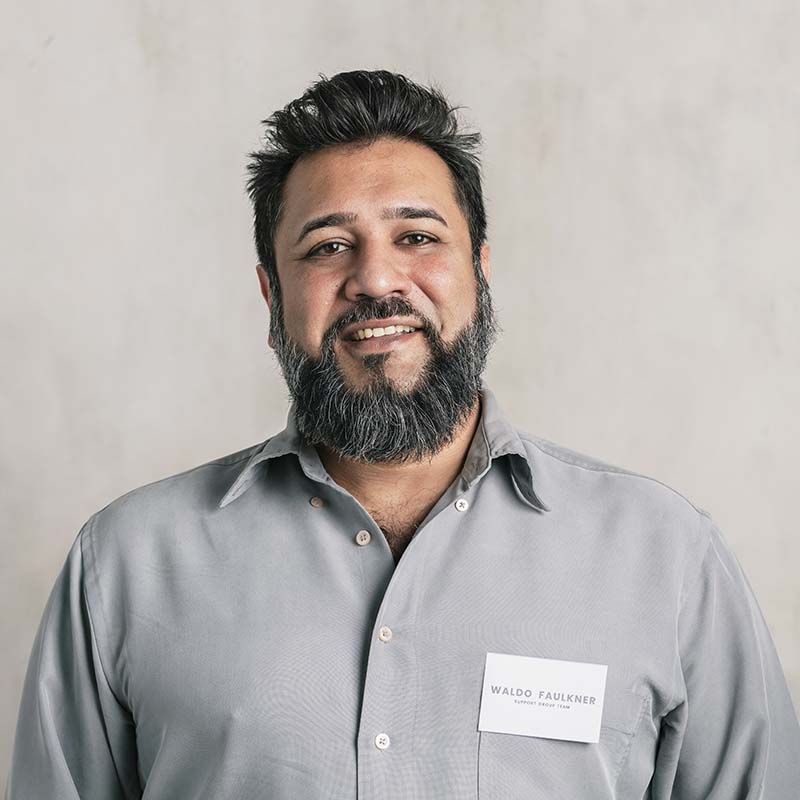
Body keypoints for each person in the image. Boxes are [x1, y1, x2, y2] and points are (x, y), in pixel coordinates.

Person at [7, 69, 800, 799]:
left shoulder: (667, 559)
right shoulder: (126, 566)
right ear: (272, 294)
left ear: (478, 269)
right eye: (328, 247)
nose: (377, 279)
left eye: (417, 236)